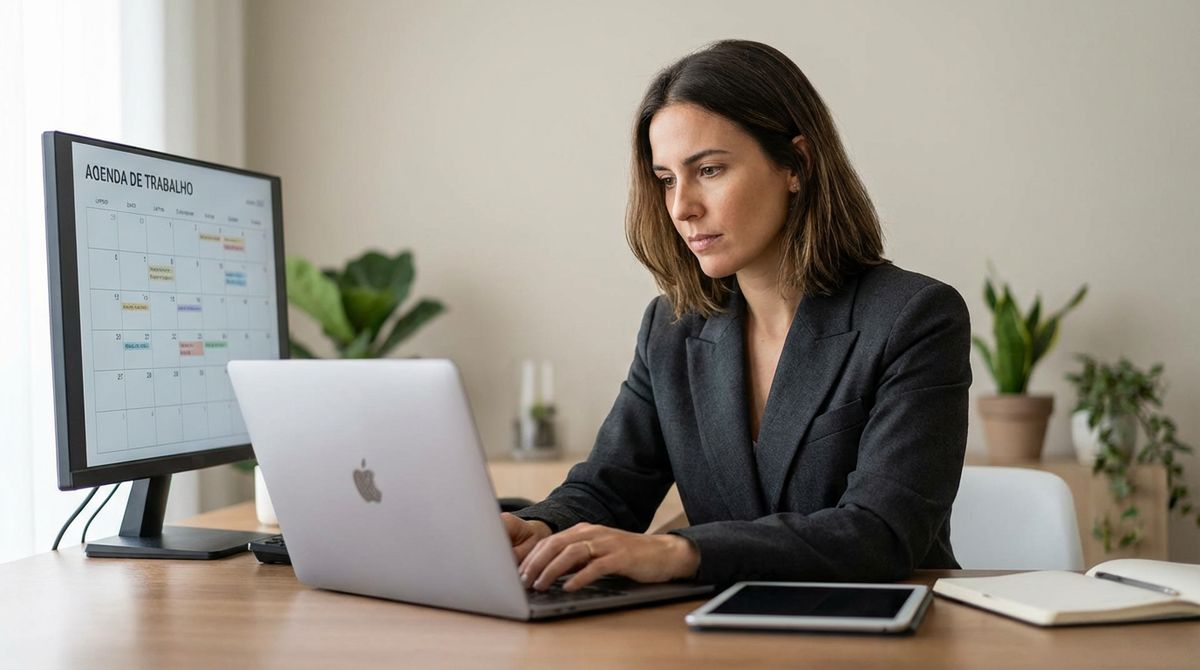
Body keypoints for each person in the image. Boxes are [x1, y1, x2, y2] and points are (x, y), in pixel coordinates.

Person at [503, 39, 971, 592]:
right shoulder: (671, 329)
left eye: (709, 170)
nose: (682, 207)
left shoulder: (914, 318)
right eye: (667, 179)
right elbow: (610, 489)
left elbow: (880, 534)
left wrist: (677, 552)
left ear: (796, 163)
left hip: (878, 630)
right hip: (719, 634)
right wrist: (536, 527)